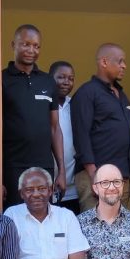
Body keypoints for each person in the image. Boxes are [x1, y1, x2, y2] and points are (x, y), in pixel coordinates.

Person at [1, 25, 65, 208]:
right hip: (13, 167)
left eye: (36, 46)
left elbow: (55, 127)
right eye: (26, 44)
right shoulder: (2, 80)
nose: (31, 50)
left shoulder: (47, 81)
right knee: (15, 219)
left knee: (44, 216)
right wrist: (0, 177)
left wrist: (61, 171)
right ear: (14, 45)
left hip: (44, 166)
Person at [70, 43, 130, 211]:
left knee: (120, 231)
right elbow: (81, 135)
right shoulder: (87, 92)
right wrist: (94, 176)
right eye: (120, 61)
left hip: (122, 176)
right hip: (96, 175)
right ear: (104, 62)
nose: (124, 66)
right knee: (96, 228)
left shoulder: (122, 95)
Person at [50, 61, 79, 213]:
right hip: (49, 184)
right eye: (61, 77)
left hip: (72, 186)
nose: (66, 82)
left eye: (71, 78)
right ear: (50, 78)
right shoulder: (44, 105)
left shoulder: (75, 105)